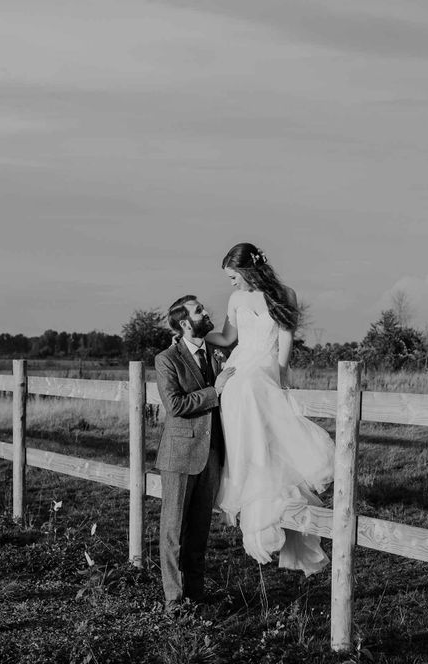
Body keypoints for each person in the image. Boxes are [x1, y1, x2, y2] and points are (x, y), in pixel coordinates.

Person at [205, 243, 334, 575]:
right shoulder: (235, 300)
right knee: (238, 390)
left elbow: (286, 338)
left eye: (233, 276)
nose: (231, 283)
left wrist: (279, 373)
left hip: (265, 365)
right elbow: (227, 337)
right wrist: (198, 334)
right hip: (240, 364)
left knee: (254, 393)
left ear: (248, 271)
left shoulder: (283, 294)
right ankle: (250, 478)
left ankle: (270, 483)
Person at [154, 295, 235, 611]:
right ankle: (174, 600)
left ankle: (196, 594)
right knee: (173, 530)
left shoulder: (217, 355)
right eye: (199, 310)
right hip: (180, 454)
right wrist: (215, 390)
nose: (206, 311)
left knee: (200, 530)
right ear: (186, 323)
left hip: (212, 453)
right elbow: (175, 405)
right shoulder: (167, 359)